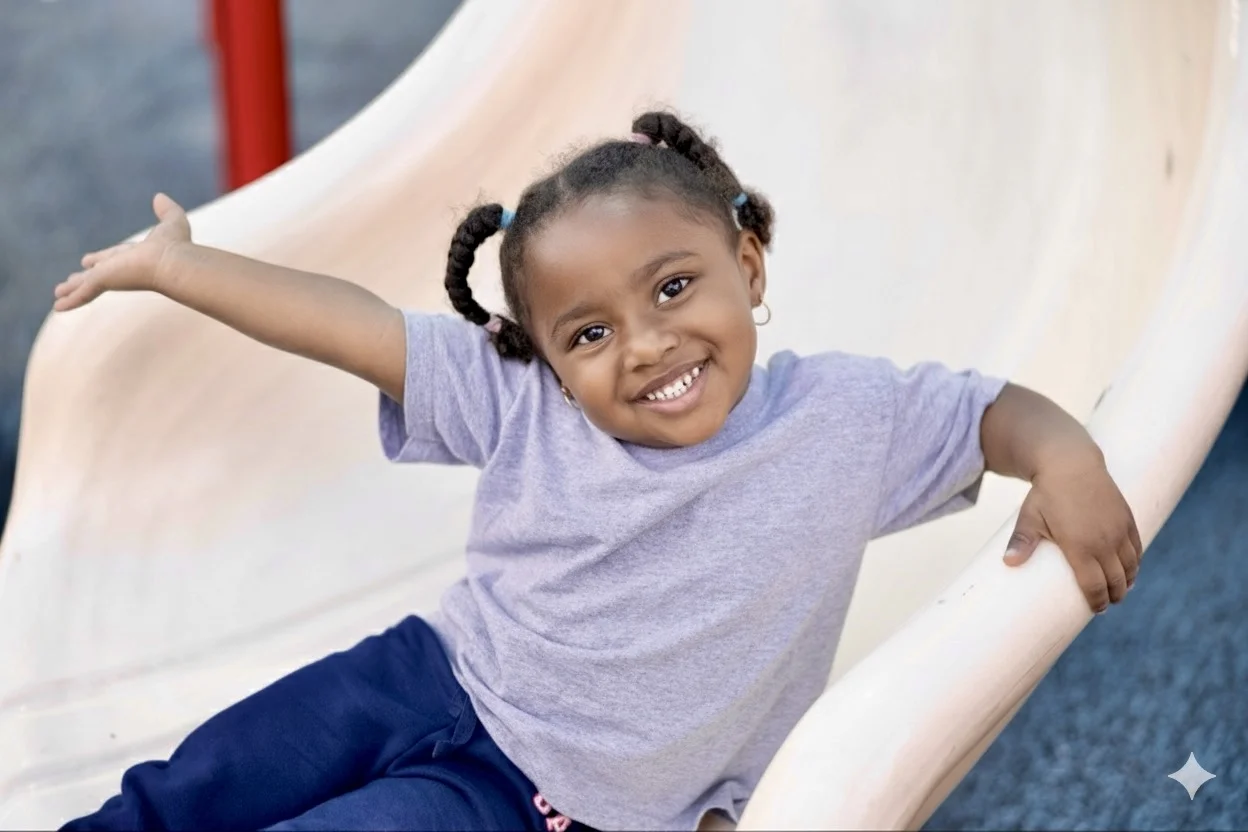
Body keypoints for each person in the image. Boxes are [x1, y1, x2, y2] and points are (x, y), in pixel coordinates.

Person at [55, 111, 1141, 832]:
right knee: (192, 788)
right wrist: (183, 269)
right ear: (543, 350)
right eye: (588, 333)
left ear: (747, 262)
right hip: (416, 677)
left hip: (527, 803)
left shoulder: (846, 419)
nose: (645, 345)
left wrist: (1068, 456)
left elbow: (996, 414)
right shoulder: (524, 400)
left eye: (673, 288)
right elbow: (357, 329)